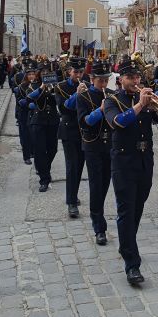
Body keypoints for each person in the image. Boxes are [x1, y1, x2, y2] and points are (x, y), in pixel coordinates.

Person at [103, 58, 158, 284]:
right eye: (130, 78)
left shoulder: (148, 100)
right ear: (121, 79)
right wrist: (140, 105)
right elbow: (118, 123)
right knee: (126, 209)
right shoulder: (112, 100)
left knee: (138, 206)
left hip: (145, 161)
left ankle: (126, 244)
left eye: (137, 78)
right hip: (123, 161)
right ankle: (132, 265)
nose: (135, 81)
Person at [76, 60, 114, 246]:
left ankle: (98, 214)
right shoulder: (83, 97)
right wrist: (100, 110)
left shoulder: (112, 95)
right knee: (96, 186)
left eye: (106, 80)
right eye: (100, 81)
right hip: (92, 146)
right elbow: (85, 122)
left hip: (111, 145)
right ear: (92, 79)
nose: (104, 85)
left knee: (105, 185)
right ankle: (99, 226)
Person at [55, 57, 87, 218]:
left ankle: (73, 194)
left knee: (80, 166)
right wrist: (76, 94)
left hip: (85, 131)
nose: (79, 75)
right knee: (73, 167)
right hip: (69, 130)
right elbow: (64, 108)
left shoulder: (88, 84)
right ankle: (71, 202)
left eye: (81, 72)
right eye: (76, 72)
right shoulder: (61, 86)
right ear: (69, 72)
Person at [26, 68, 60, 192]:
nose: (46, 75)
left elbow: (59, 100)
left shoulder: (56, 86)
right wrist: (41, 87)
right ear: (39, 75)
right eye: (44, 73)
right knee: (40, 151)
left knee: (53, 149)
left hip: (53, 121)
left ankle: (44, 169)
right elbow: (29, 97)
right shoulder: (33, 85)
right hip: (38, 121)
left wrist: (54, 89)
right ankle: (44, 179)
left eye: (48, 74)